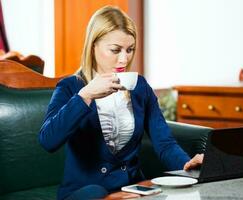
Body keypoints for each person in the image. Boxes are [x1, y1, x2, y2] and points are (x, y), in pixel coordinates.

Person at [38, 6, 202, 200]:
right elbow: (48, 140)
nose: (124, 59)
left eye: (130, 49)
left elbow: (164, 143)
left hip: (130, 191)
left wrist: (187, 166)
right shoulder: (70, 87)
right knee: (96, 193)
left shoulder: (140, 87)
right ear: (93, 46)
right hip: (86, 194)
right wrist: (86, 95)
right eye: (115, 50)